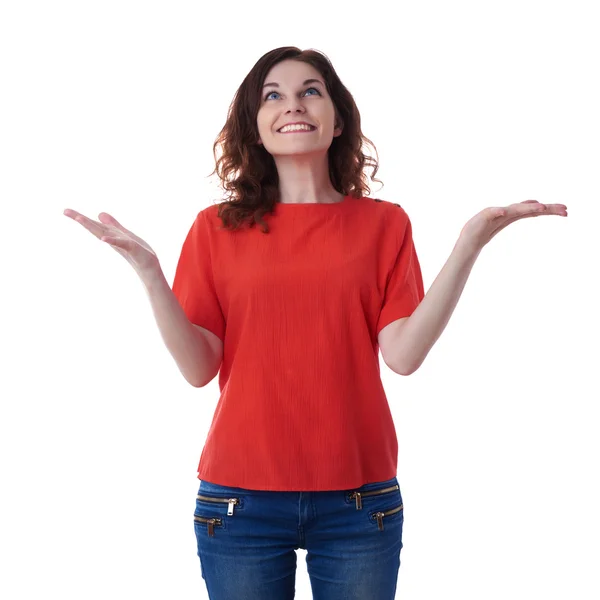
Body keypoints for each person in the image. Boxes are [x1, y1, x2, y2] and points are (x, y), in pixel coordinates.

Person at [64, 46, 567, 600]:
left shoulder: (385, 224)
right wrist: (150, 272)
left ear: (337, 118)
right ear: (254, 128)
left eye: (310, 90)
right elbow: (198, 367)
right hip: (239, 500)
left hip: (359, 500)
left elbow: (402, 355)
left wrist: (470, 243)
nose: (292, 104)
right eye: (272, 95)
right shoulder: (215, 229)